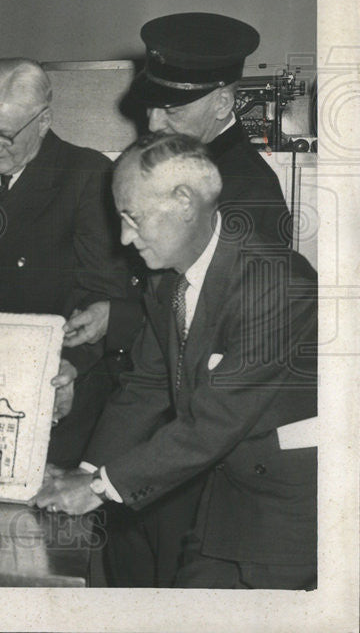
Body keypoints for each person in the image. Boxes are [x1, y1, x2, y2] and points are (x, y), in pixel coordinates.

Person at [60, 12, 296, 587]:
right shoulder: (178, 170)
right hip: (150, 432)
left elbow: (211, 359)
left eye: (173, 109)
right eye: (151, 106)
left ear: (223, 103)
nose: (154, 121)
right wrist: (115, 317)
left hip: (195, 460)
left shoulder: (245, 196)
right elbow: (167, 319)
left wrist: (98, 480)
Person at [31, 132, 317, 590]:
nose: (124, 237)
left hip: (288, 511)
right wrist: (84, 472)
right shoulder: (167, 281)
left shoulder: (277, 283)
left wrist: (100, 487)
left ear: (184, 202)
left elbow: (213, 421)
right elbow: (145, 385)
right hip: (226, 495)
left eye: (133, 218)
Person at [0, 58, 131, 465]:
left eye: (5, 136)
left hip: (52, 390)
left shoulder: (87, 176)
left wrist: (71, 368)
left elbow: (103, 297)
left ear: (43, 121)